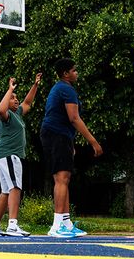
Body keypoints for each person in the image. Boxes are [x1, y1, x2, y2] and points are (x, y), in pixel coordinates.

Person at [40, 58, 102, 238]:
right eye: (74, 70)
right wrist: (93, 142)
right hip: (56, 135)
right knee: (61, 178)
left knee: (64, 178)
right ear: (66, 73)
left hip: (57, 135)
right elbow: (74, 118)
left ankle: (66, 223)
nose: (77, 73)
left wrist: (70, 143)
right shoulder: (67, 89)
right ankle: (57, 225)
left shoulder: (59, 88)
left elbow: (61, 118)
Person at [0, 73, 42, 237]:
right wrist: (10, 89)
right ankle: (12, 226)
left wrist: (35, 85)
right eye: (13, 98)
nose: (16, 100)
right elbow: (0, 109)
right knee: (15, 187)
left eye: (16, 98)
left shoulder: (17, 113)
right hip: (9, 154)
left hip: (4, 155)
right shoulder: (7, 115)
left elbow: (28, 102)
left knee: (6, 191)